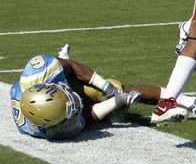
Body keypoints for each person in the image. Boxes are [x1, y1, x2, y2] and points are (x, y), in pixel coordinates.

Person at [10, 50, 141, 140]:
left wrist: (107, 87)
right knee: (101, 111)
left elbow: (72, 66)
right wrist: (116, 102)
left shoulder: (38, 72)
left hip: (48, 83)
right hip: (49, 106)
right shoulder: (52, 130)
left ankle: (62, 66)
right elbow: (85, 116)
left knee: (112, 87)